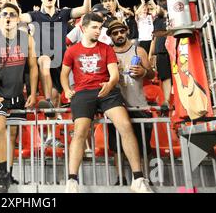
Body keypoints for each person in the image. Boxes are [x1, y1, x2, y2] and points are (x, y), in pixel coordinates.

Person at [60, 13, 153, 193]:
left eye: (99, 27)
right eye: (94, 27)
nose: (98, 31)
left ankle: (138, 179)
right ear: (83, 28)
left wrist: (110, 84)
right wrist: (66, 89)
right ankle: (72, 180)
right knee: (80, 131)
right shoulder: (72, 50)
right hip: (83, 93)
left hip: (106, 91)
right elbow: (64, 74)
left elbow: (114, 75)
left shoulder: (106, 48)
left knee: (125, 126)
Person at [20, 0, 91, 147]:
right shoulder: (35, 15)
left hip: (63, 62)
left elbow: (85, 9)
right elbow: (19, 18)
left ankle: (54, 134)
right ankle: (50, 121)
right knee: (45, 66)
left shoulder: (64, 13)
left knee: (58, 97)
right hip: (45, 57)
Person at [0, 3, 38, 193]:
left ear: (18, 19)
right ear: (0, 19)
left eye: (13, 14)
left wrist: (34, 93)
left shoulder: (26, 38)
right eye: (5, 14)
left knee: (12, 136)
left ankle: (8, 172)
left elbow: (34, 67)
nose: (9, 17)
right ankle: (2, 176)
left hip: (17, 95)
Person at [107, 20, 156, 185]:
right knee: (116, 147)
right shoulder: (108, 53)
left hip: (138, 105)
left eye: (121, 31)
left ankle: (146, 179)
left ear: (127, 31)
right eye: (115, 33)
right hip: (115, 106)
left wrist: (143, 71)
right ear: (111, 36)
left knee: (144, 147)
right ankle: (120, 179)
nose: (119, 35)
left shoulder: (138, 50)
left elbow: (152, 75)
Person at [149, 0, 172, 107]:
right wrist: (150, 54)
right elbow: (154, 39)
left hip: (173, 51)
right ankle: (166, 101)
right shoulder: (157, 20)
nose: (156, 9)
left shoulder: (173, 17)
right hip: (161, 52)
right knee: (165, 77)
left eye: (157, 7)